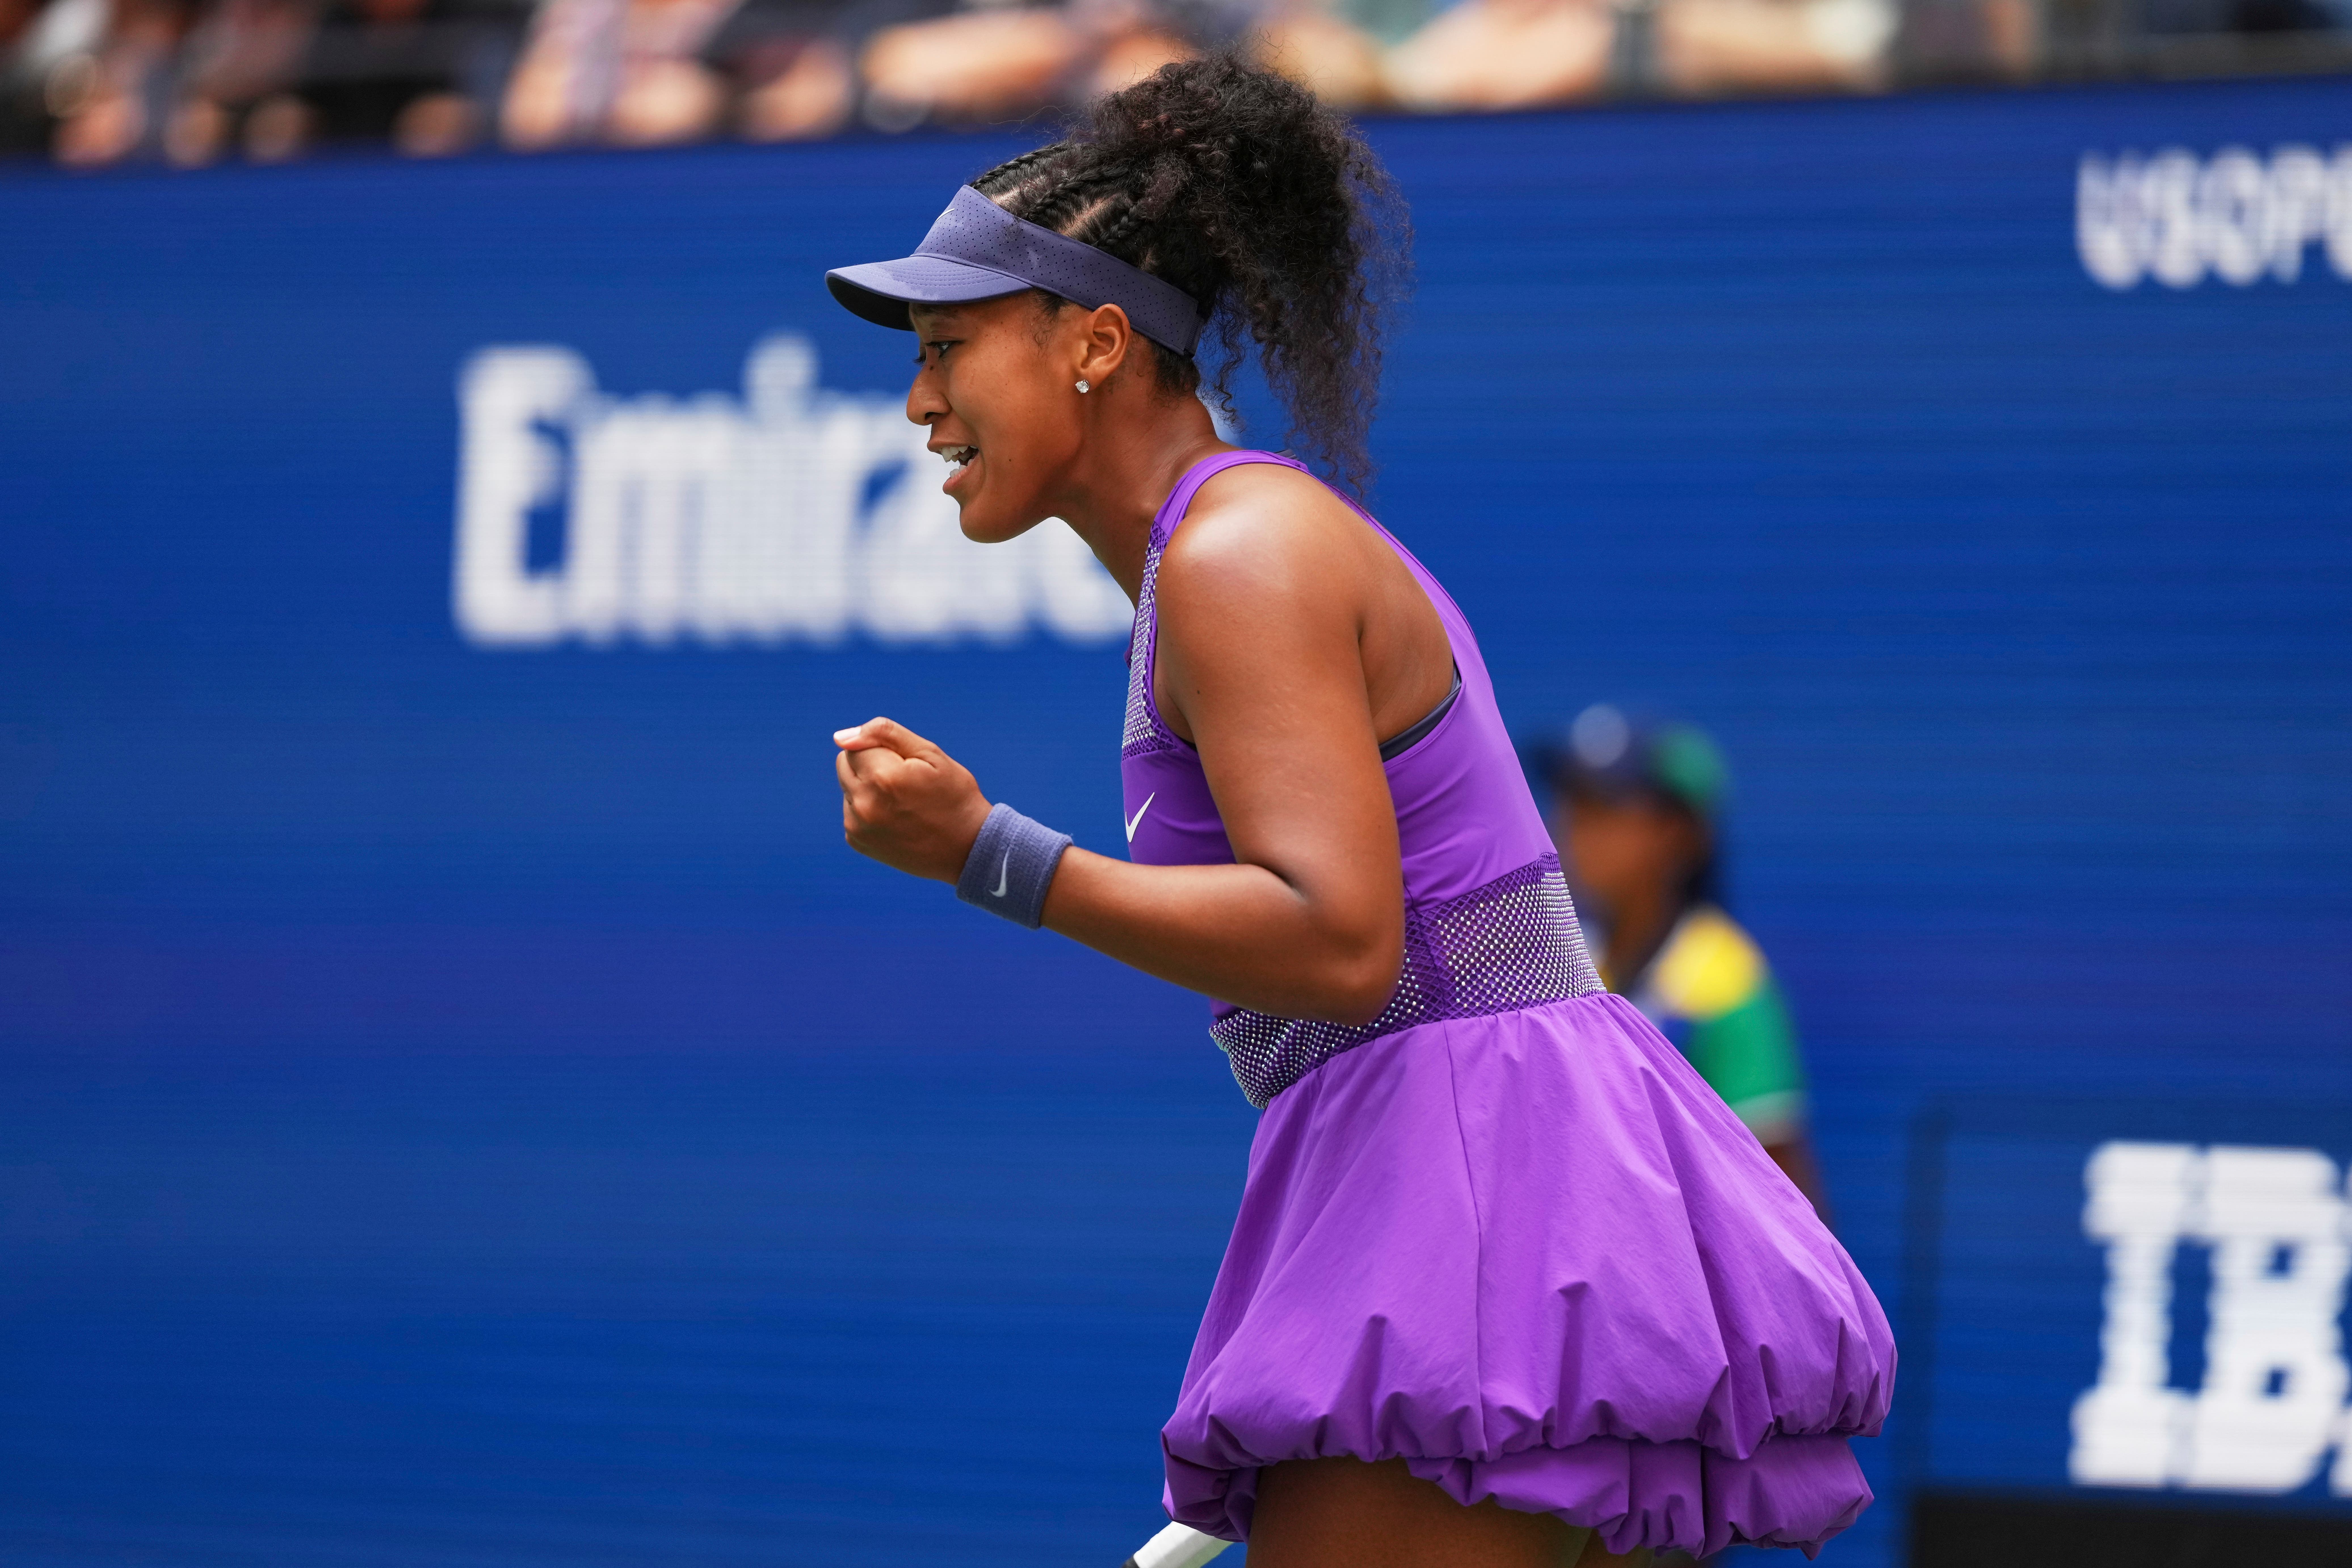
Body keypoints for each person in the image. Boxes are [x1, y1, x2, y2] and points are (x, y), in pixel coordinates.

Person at [822, 55, 1891, 1567]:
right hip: (1486, 1174)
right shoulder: (1228, 548)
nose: (919, 401)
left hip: (1478, 1195)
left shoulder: (1236, 554)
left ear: (1096, 345)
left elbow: (1338, 941)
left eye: (947, 346)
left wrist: (987, 855)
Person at [1528, 705, 1830, 1219]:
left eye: (1603, 809)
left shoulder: (1726, 984)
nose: (1573, 828)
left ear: (1677, 834)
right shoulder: (1572, 958)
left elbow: (1787, 1196)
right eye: (1570, 805)